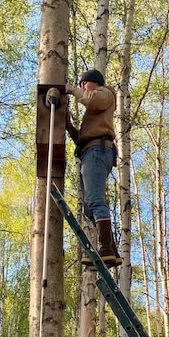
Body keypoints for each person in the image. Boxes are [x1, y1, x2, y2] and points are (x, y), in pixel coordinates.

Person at [65, 69, 121, 267]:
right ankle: (111, 250)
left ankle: (105, 247)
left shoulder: (105, 93)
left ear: (94, 83)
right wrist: (68, 125)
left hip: (98, 150)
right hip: (90, 151)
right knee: (90, 207)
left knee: (95, 200)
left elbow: (91, 100)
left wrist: (72, 90)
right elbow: (81, 138)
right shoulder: (95, 112)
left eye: (84, 84)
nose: (82, 88)